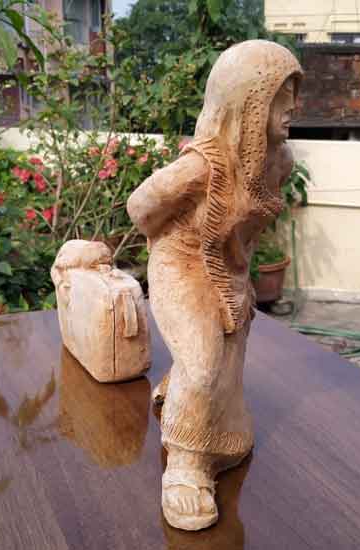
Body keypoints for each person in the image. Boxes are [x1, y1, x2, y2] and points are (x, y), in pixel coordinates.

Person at [127, 40, 302, 531]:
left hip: (229, 266)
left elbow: (249, 226)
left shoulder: (278, 162)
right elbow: (140, 210)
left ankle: (189, 407)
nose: (293, 106)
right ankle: (185, 466)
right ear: (248, 102)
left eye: (294, 92)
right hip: (181, 261)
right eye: (280, 95)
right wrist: (186, 237)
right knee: (204, 363)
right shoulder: (200, 166)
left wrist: (236, 270)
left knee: (226, 357)